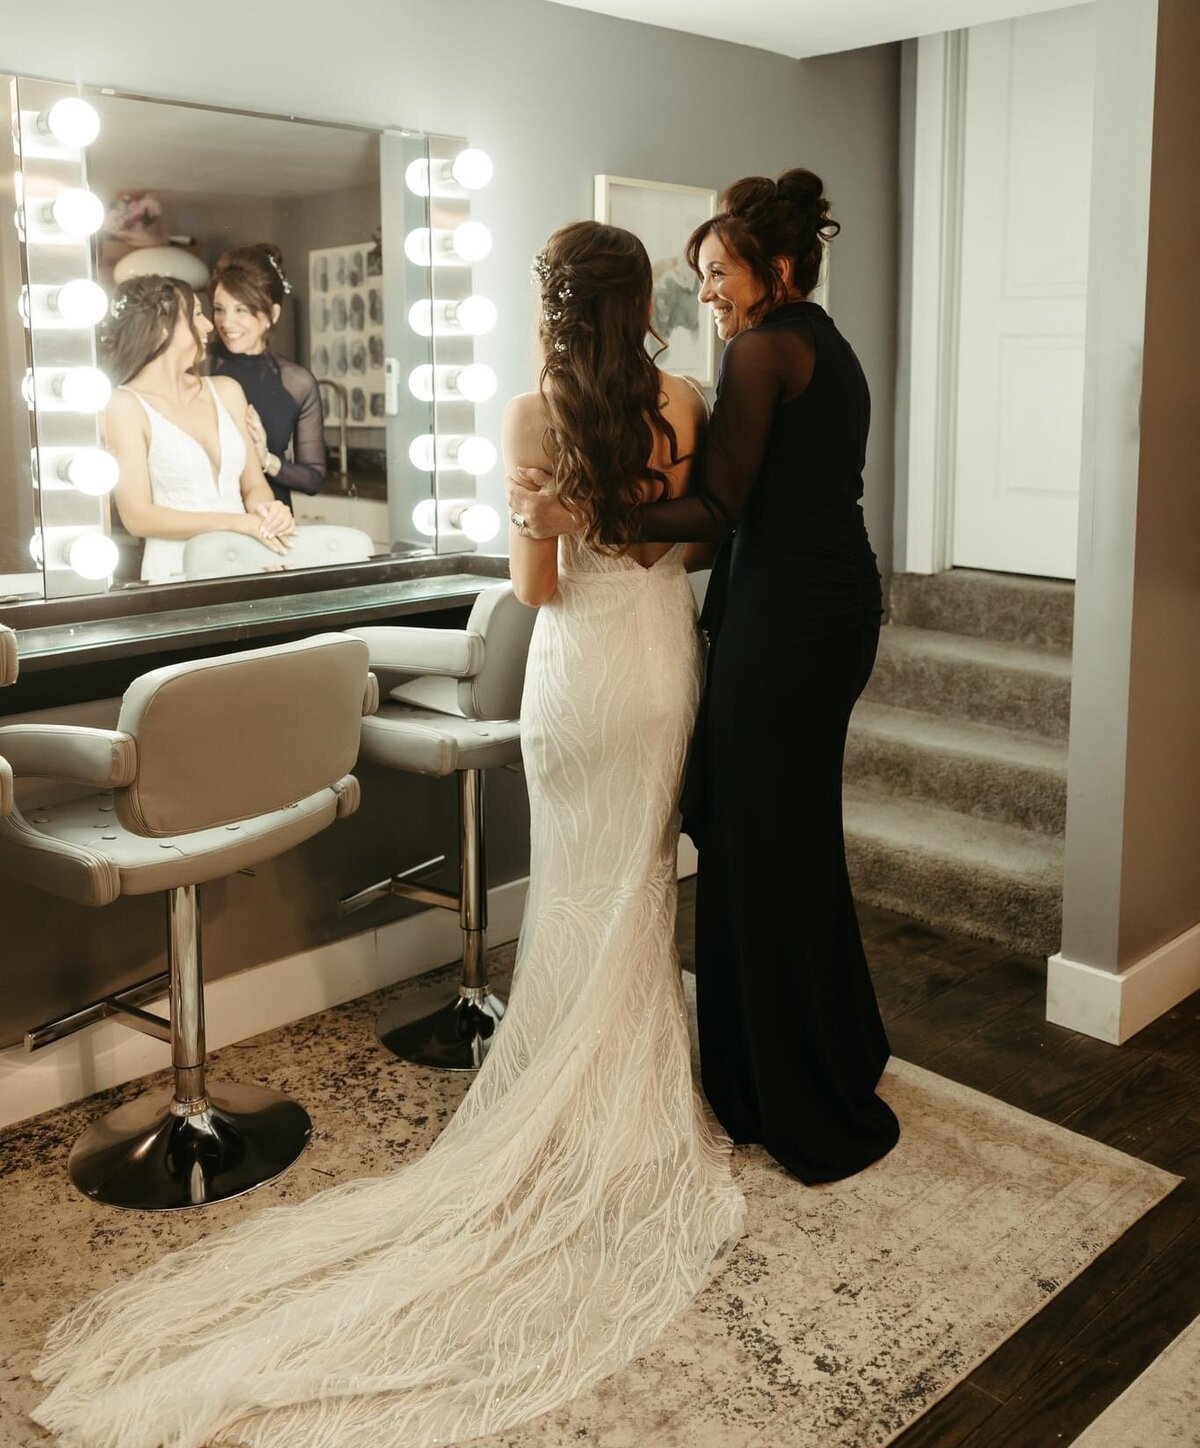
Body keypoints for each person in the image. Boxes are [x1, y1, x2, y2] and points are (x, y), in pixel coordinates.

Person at [31, 223, 744, 1448]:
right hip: (663, 663)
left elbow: (536, 591)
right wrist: (621, 518)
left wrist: (558, 514)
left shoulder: (533, 413)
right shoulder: (687, 397)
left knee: (577, 885)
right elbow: (684, 541)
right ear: (650, 303)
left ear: (552, 306)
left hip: (580, 676)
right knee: (636, 881)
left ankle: (572, 1104)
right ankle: (628, 1105)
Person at [510, 169, 900, 1186]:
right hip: (819, 605)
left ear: (773, 267)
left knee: (758, 844)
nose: (708, 296)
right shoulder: (821, 343)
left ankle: (783, 1089)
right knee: (789, 832)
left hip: (792, 617)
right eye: (694, 279)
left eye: (718, 274)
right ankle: (832, 1046)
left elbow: (716, 512)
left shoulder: (767, 348)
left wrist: (573, 520)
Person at [102, 275, 296, 582]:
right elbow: (138, 516)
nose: (208, 326)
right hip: (177, 567)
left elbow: (253, 486)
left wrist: (270, 512)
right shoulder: (124, 405)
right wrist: (235, 523)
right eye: (196, 314)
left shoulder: (227, 391)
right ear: (162, 327)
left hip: (245, 558)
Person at [207, 243, 326, 508]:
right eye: (219, 309)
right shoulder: (198, 365)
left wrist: (265, 460)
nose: (226, 323)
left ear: (272, 315)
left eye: (242, 310)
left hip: (271, 521)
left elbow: (314, 478)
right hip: (212, 517)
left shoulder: (297, 382)